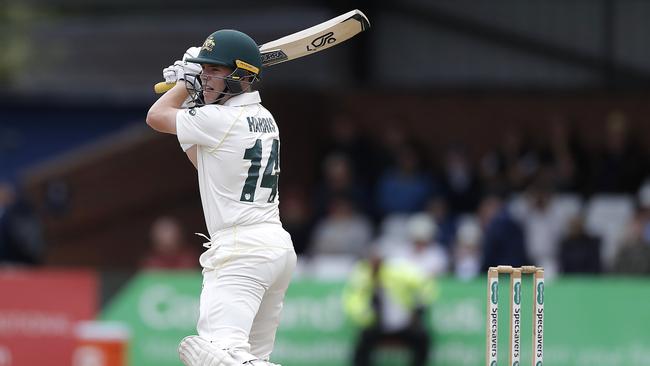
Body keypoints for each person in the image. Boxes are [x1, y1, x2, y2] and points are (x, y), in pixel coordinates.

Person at [146, 29, 296, 366]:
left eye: (214, 69)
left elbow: (155, 117)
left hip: (241, 250)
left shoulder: (220, 119)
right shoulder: (263, 118)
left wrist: (183, 85)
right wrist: (190, 95)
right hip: (274, 248)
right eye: (203, 69)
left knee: (215, 355)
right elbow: (205, 163)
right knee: (253, 358)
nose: (205, 76)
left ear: (242, 75)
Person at [342, 247, 435, 366]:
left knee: (423, 339)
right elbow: (353, 301)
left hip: (404, 323)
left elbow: (425, 284)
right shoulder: (362, 274)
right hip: (377, 324)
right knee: (361, 346)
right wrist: (368, 316)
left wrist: (418, 308)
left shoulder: (398, 271)